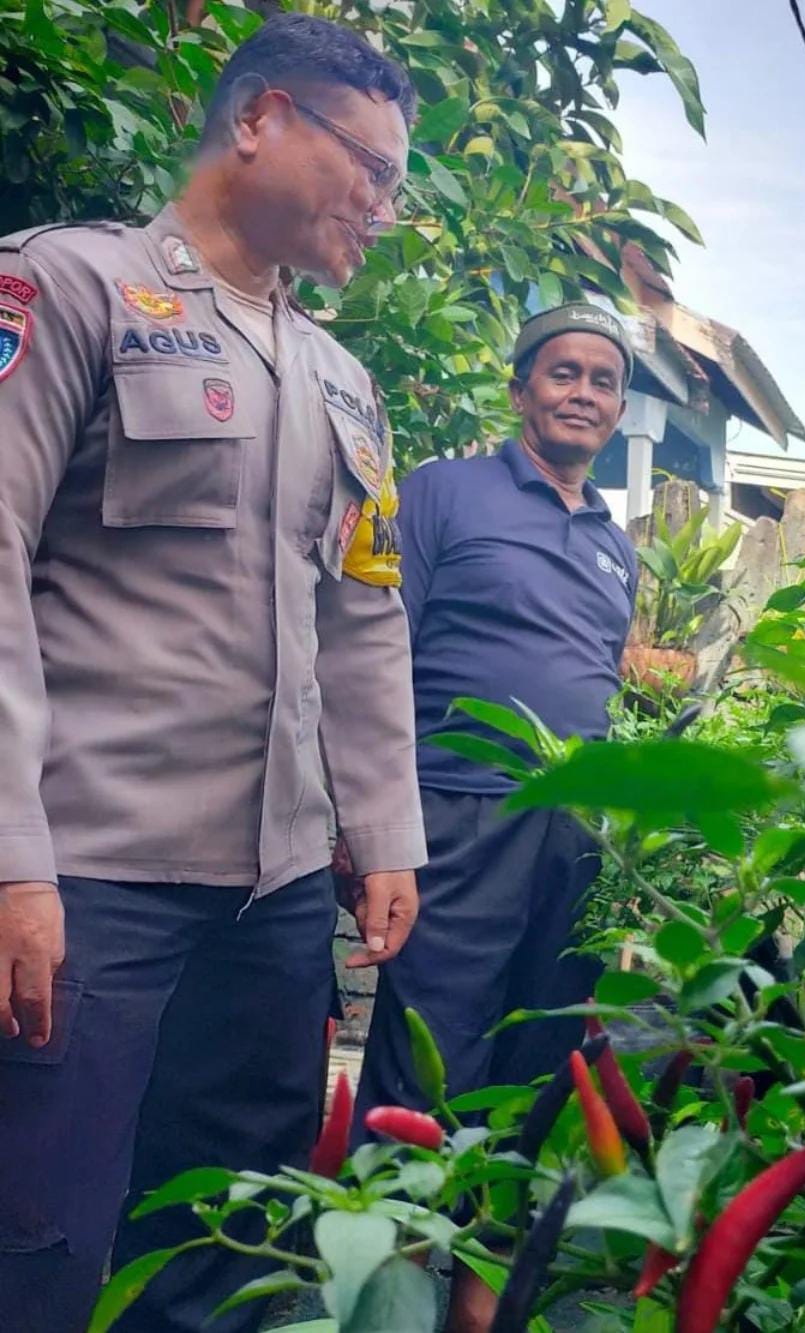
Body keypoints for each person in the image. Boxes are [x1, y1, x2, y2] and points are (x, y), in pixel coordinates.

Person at [0, 14, 427, 1332]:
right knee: (42, 1238)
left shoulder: (347, 383)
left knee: (227, 1238)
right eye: (370, 168)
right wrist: (12, 859)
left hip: (277, 906)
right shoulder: (69, 290)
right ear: (260, 122)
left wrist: (386, 830)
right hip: (91, 881)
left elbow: (363, 617)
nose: (384, 206)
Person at [353, 302, 639, 1332]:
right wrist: (375, 825)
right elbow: (373, 651)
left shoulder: (617, 547)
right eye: (563, 373)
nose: (584, 394)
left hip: (576, 840)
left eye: (604, 381)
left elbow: (598, 683)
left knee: (537, 1067)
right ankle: (386, 1292)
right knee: (429, 1052)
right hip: (457, 817)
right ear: (521, 390)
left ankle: (480, 1310)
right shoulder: (439, 495)